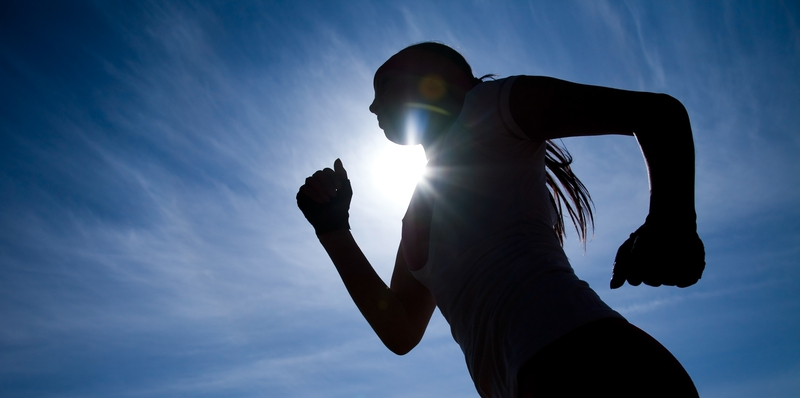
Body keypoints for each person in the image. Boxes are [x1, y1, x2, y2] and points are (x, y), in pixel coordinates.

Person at [296, 42, 705, 397]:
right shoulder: (416, 210)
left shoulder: (490, 106)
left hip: (590, 362)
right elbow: (401, 330)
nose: (372, 105)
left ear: (442, 77)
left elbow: (657, 114)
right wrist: (333, 230)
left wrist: (672, 224)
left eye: (384, 85)